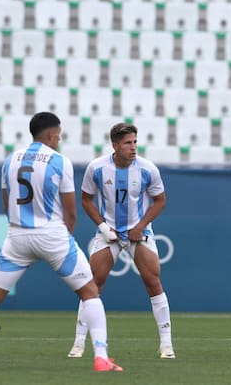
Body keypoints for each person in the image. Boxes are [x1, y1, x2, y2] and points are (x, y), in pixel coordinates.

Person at [0, 112, 122, 373]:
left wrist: (20, 231)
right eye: (59, 135)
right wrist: (65, 237)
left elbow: (7, 203)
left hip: (17, 235)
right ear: (52, 135)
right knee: (90, 293)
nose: (59, 139)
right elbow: (70, 210)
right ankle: (101, 358)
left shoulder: (10, 160)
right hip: (52, 235)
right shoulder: (59, 161)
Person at [68, 122, 174, 360]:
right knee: (92, 286)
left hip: (139, 232)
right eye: (128, 143)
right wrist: (104, 228)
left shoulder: (148, 169)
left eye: (135, 142)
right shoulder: (97, 168)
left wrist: (139, 227)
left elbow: (160, 200)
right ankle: (78, 344)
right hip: (110, 234)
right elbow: (86, 199)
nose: (133, 147)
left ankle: (166, 345)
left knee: (154, 283)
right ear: (115, 145)